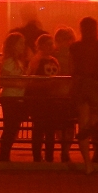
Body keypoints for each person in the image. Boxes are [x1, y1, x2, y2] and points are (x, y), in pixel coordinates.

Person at [69, 17, 98, 168]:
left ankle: (87, 164)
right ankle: (88, 129)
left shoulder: (75, 47)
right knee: (94, 116)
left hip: (81, 84)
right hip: (97, 84)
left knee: (82, 119)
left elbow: (72, 68)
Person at [25, 33, 61, 162]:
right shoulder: (36, 60)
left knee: (50, 130)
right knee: (39, 129)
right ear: (40, 46)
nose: (52, 46)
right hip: (39, 100)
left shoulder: (53, 60)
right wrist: (47, 84)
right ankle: (37, 157)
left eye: (52, 43)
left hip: (51, 100)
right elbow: (30, 82)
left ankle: (49, 157)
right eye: (48, 44)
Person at [0, 32, 27, 162]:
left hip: (17, 97)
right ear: (13, 46)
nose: (23, 46)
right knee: (10, 127)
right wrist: (18, 83)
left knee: (13, 127)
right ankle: (4, 155)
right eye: (20, 43)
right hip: (10, 98)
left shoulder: (19, 61)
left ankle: (4, 154)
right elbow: (2, 81)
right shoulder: (9, 61)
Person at [51, 27, 77, 162]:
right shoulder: (75, 55)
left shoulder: (52, 56)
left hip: (56, 94)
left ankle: (63, 148)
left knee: (59, 125)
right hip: (70, 94)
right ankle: (65, 151)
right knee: (69, 125)